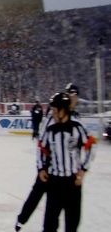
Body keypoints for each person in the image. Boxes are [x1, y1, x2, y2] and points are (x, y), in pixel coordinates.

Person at [15, 83, 81, 231]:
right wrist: (42, 167)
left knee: (61, 211)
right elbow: (42, 143)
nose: (73, 98)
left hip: (65, 175)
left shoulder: (76, 120)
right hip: (49, 167)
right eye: (70, 95)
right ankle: (22, 220)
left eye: (75, 95)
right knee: (37, 194)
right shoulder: (53, 118)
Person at [38, 91, 95, 232]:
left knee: (72, 224)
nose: (53, 113)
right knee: (49, 225)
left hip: (72, 183)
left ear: (63, 109)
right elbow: (41, 148)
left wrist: (83, 170)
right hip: (54, 182)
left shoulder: (77, 127)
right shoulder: (50, 128)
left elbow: (91, 146)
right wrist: (41, 169)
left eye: (55, 110)